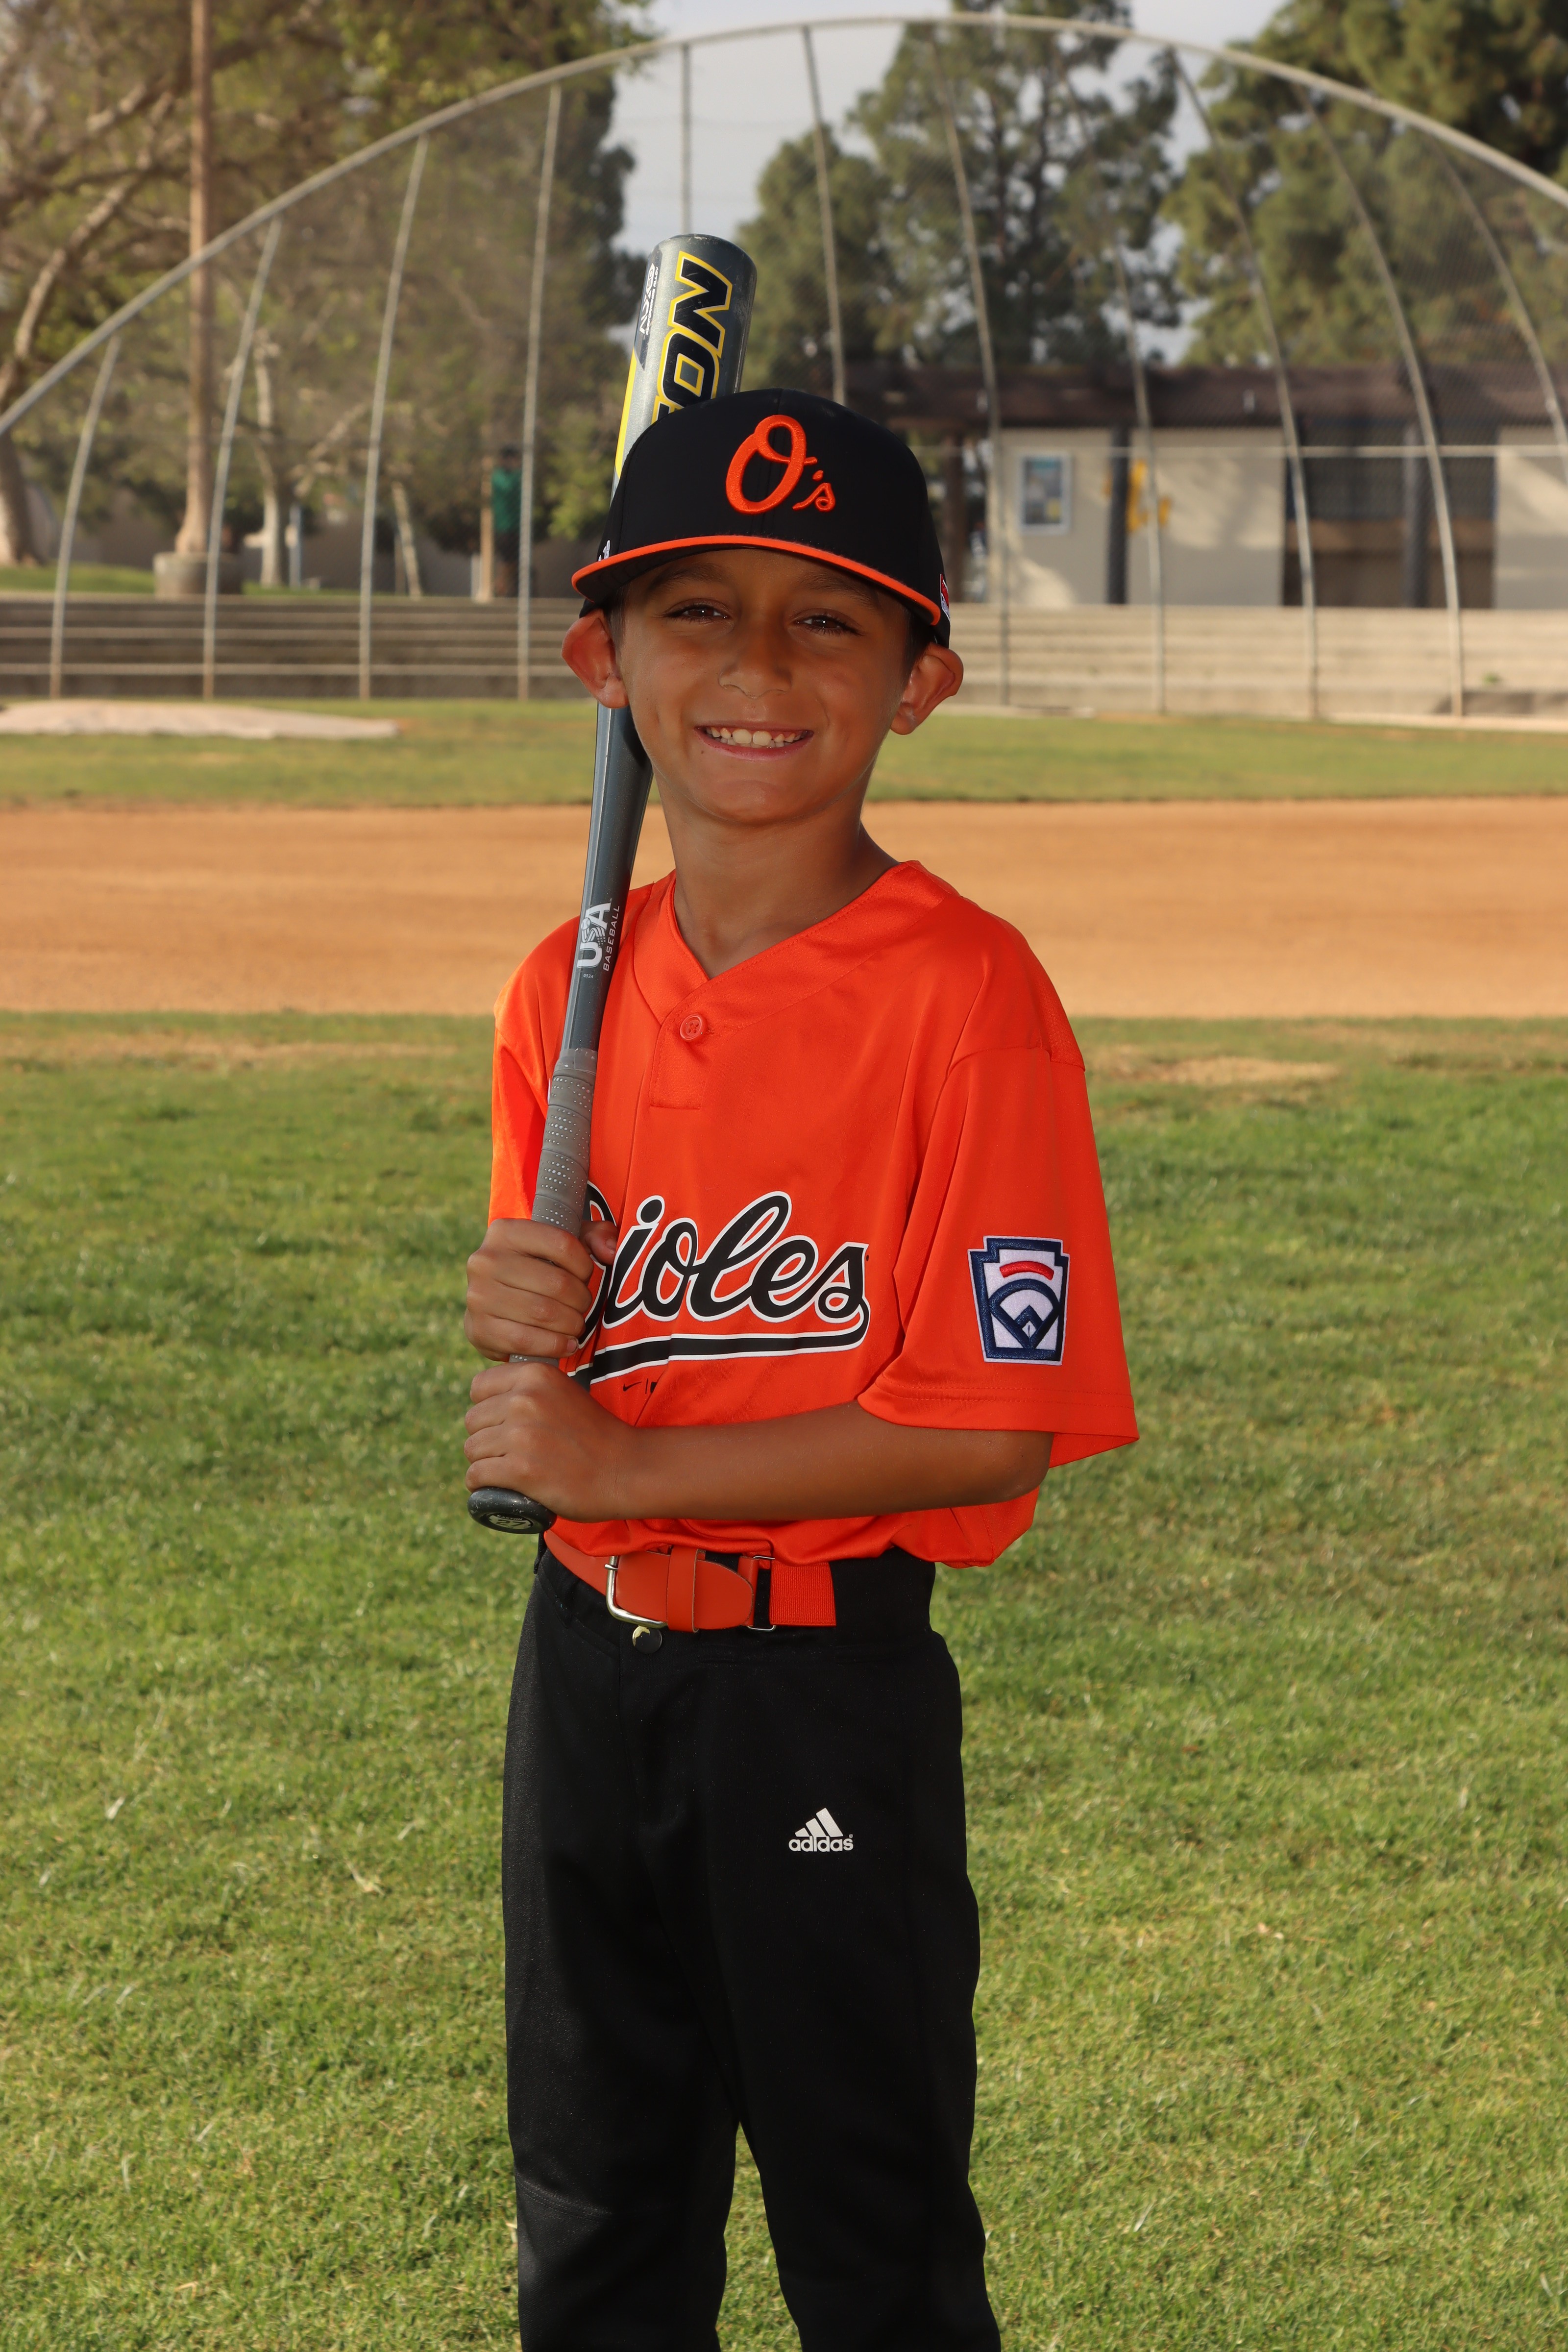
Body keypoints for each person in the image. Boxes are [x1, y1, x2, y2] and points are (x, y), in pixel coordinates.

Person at [463, 389, 1137, 2352]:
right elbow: (578, 1359)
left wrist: (613, 1465)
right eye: (694, 611)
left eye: (826, 621)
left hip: (817, 1687)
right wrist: (525, 1315)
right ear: (603, 663)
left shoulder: (966, 995)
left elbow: (985, 1427)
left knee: (870, 2240)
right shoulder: (562, 986)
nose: (757, 668)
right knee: (592, 2215)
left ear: (918, 683)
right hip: (583, 1670)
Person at [492, 443, 523, 597]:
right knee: (506, 560)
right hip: (504, 527)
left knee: (515, 561)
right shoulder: (499, 477)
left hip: (518, 526)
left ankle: (508, 588)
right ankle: (501, 585)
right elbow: (508, 488)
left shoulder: (518, 476)